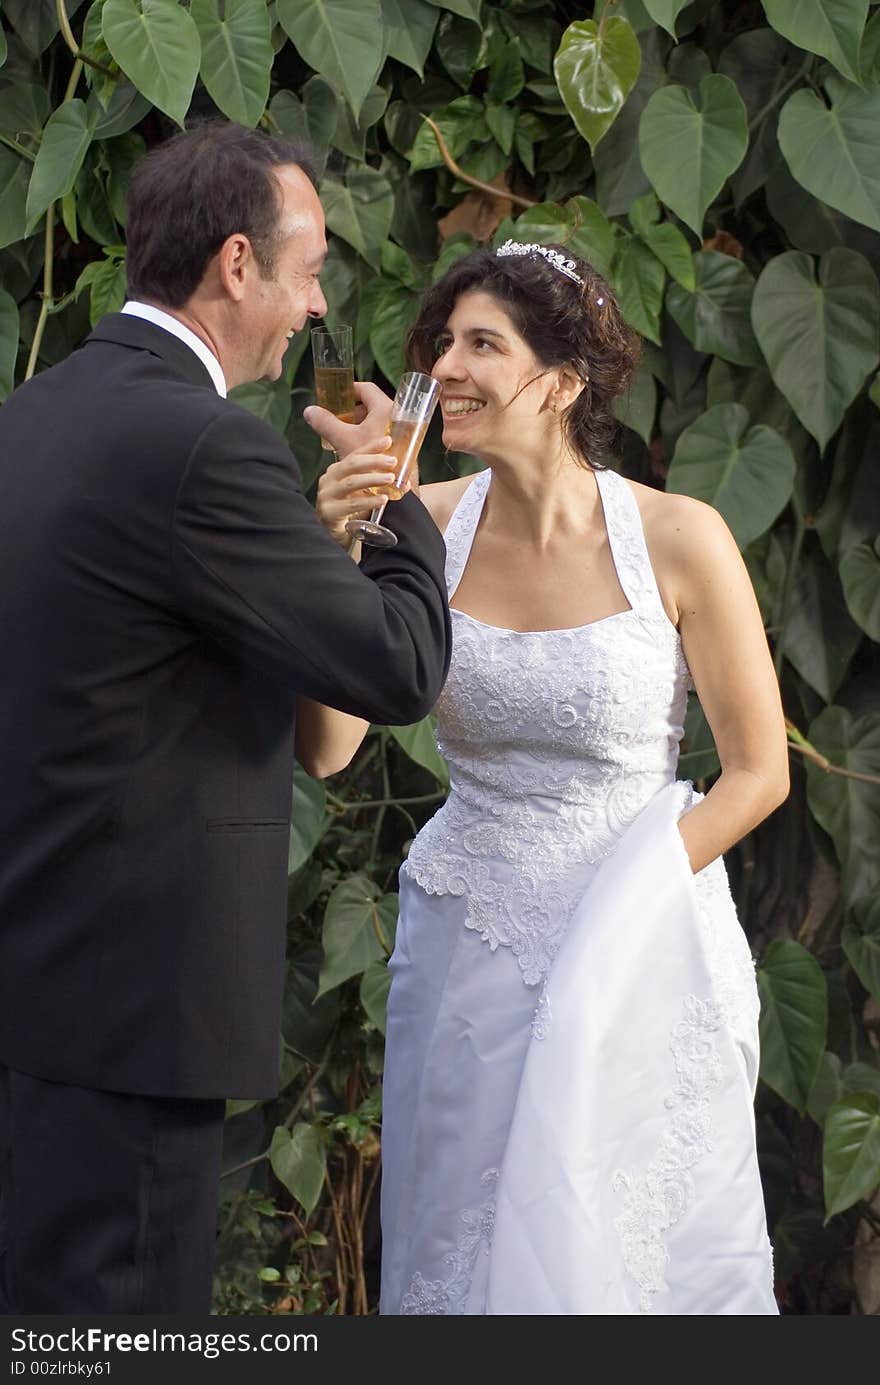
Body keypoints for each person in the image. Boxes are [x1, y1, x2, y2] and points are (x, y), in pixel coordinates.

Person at [0, 121, 452, 1315]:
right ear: (239, 263)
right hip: (135, 1013)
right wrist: (400, 501)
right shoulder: (203, 447)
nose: (316, 308)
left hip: (37, 989)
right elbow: (397, 668)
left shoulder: (33, 416)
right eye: (309, 274)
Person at [299, 240, 790, 1316]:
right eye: (444, 343)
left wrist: (625, 909)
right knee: (467, 1253)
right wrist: (338, 547)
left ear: (562, 381)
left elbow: (757, 774)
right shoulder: (413, 521)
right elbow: (328, 746)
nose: (451, 366)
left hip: (643, 949)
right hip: (470, 947)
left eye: (486, 343)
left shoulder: (679, 535)